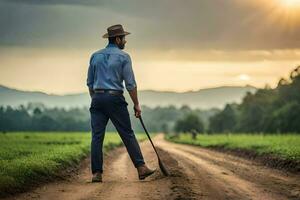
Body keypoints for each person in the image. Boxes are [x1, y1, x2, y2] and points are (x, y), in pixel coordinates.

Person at [86, 24, 156, 182]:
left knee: (96, 137)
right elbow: (130, 84)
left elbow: (90, 83)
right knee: (127, 134)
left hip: (97, 98)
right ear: (117, 39)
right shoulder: (124, 57)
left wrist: (97, 99)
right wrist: (136, 104)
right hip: (115, 98)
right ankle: (141, 167)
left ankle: (96, 173)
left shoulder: (94, 56)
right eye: (124, 38)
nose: (125, 41)